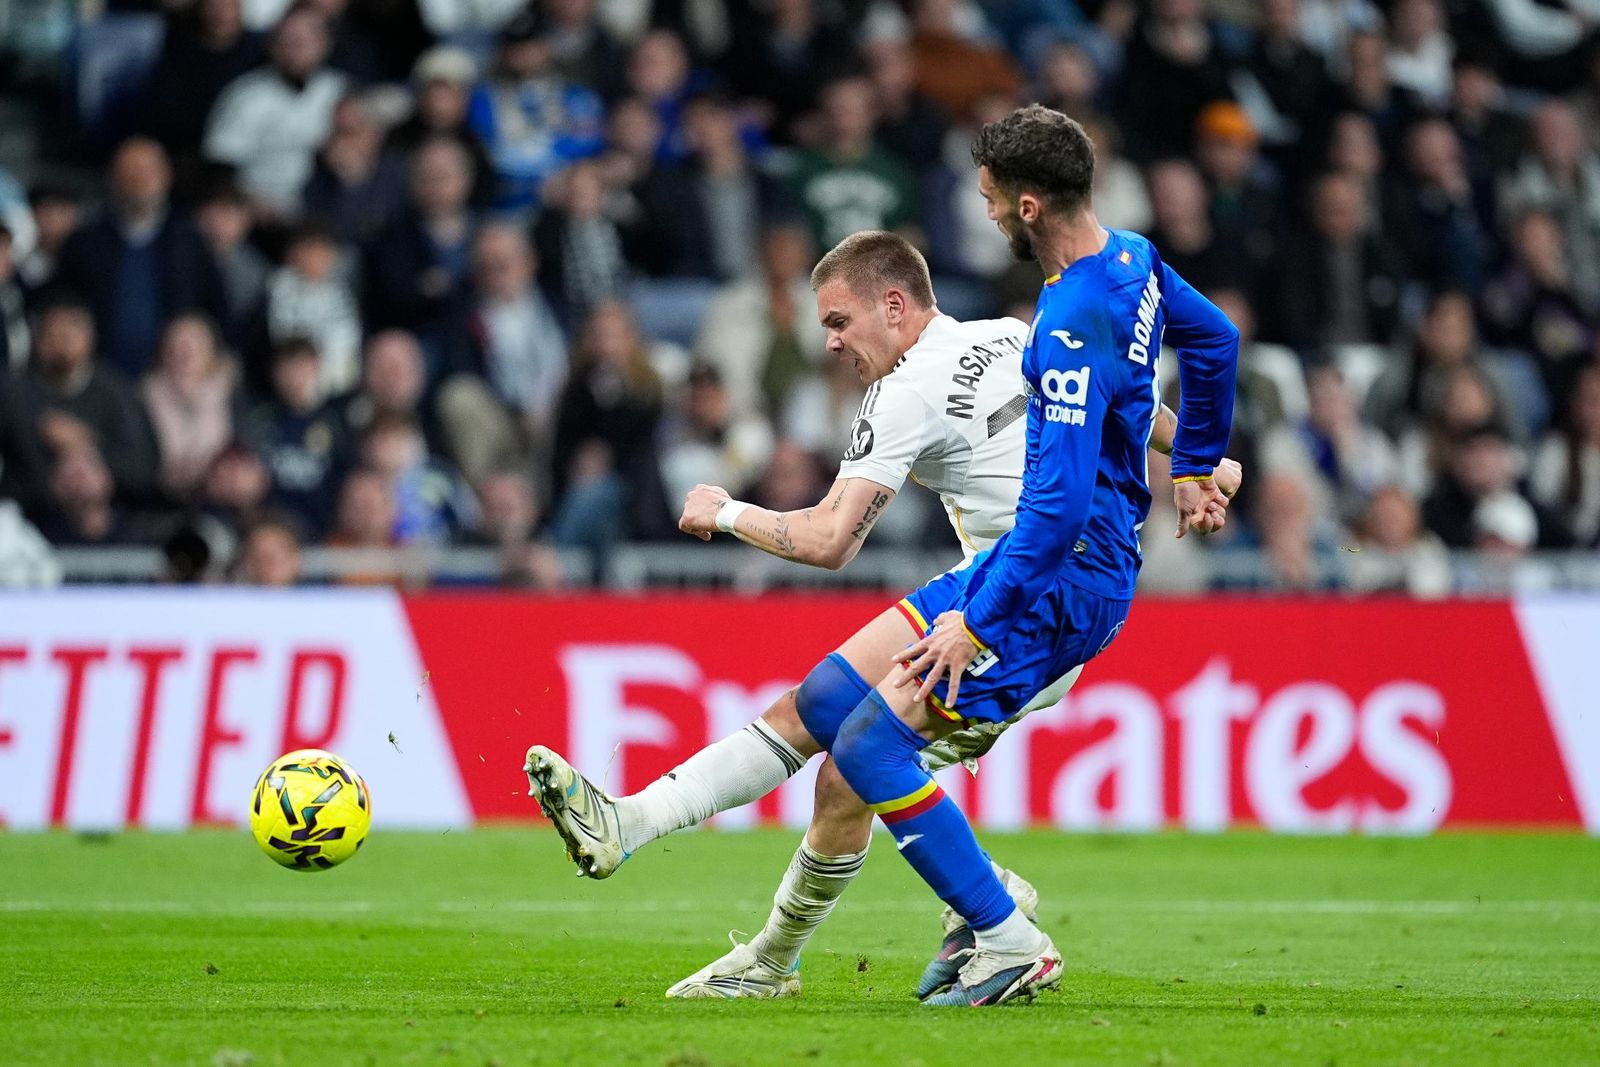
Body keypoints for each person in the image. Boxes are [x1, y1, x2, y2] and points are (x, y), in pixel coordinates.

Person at [522, 148, 1239, 1002]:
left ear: (894, 305)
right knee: (818, 710)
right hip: (1013, 572)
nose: (829, 344)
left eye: (838, 322)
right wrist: (1202, 457)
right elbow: (1123, 394)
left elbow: (829, 540)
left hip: (1034, 585)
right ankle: (654, 844)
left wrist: (726, 512)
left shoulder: (904, 394)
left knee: (863, 753)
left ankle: (1002, 926)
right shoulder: (1009, 333)